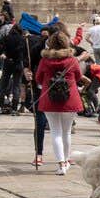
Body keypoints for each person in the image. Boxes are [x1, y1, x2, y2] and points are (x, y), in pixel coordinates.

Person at [35, 29, 82, 175]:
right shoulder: (72, 60)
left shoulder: (45, 60)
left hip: (50, 99)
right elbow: (79, 77)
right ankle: (66, 161)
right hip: (70, 97)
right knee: (66, 132)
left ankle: (61, 163)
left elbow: (38, 79)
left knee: (55, 132)